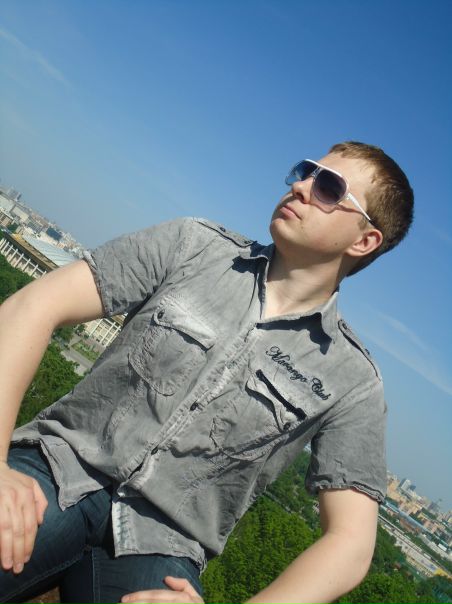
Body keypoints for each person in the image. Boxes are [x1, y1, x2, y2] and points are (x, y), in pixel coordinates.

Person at [0, 141, 414, 604]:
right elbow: (33, 306)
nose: (300, 187)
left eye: (329, 188)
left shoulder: (353, 380)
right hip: (60, 469)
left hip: (165, 544)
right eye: (305, 172)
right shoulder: (192, 245)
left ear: (364, 240)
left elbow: (351, 544)